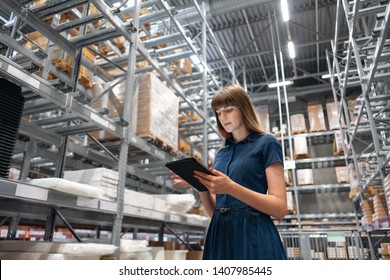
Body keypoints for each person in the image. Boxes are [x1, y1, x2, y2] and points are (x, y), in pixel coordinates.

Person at [171, 84, 287, 260]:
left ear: (244, 109)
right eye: (218, 112)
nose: (222, 116)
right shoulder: (222, 154)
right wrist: (200, 185)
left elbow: (279, 208)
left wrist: (231, 187)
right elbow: (217, 211)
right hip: (220, 234)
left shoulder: (267, 143)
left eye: (228, 110)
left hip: (253, 236)